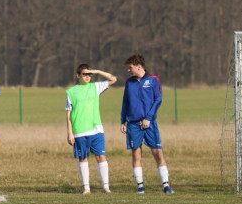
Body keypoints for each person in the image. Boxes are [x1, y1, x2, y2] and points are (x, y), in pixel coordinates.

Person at [120, 54, 174, 194]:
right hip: (133, 124)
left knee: (158, 153)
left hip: (149, 124)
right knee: (136, 155)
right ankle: (140, 186)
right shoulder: (129, 82)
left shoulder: (153, 80)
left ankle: (166, 185)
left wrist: (149, 118)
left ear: (139, 66)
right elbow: (125, 102)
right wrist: (123, 121)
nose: (128, 70)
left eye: (130, 67)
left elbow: (158, 100)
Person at [66, 64, 118, 194]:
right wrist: (70, 133)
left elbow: (114, 79)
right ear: (78, 75)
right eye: (84, 74)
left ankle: (106, 187)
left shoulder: (96, 87)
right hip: (79, 131)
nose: (87, 77)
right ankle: (86, 188)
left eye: (89, 74)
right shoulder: (71, 92)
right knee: (83, 158)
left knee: (101, 156)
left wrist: (97, 71)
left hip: (96, 130)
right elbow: (68, 114)